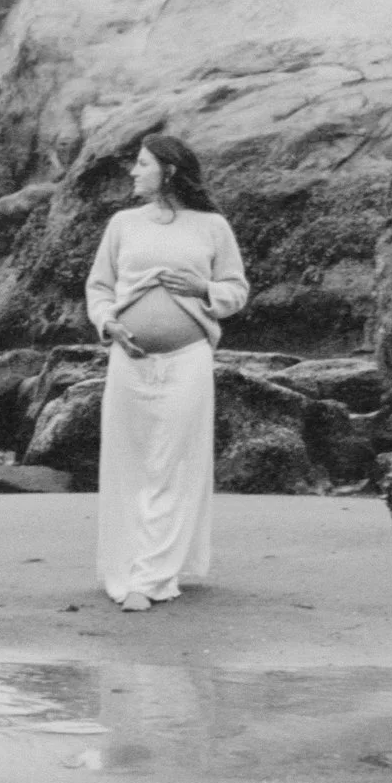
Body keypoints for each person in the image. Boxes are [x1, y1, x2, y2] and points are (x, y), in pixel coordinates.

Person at [83, 133, 248, 612]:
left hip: (187, 360)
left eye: (141, 165)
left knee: (174, 464)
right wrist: (108, 323)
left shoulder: (212, 227)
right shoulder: (122, 224)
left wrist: (203, 287)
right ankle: (127, 566)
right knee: (127, 464)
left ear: (169, 171)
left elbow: (236, 290)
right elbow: (99, 287)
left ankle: (152, 577)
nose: (133, 173)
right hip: (128, 362)